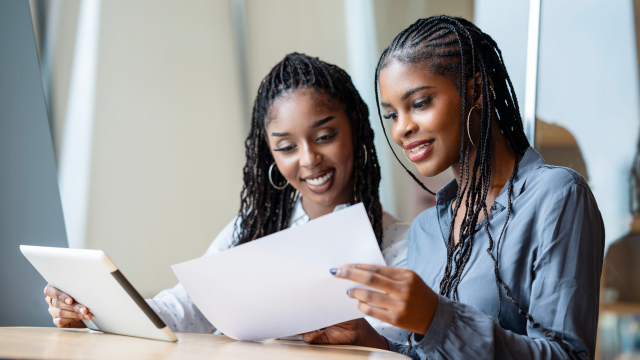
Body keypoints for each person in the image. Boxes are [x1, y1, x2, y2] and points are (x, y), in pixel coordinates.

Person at [42, 53, 411, 343]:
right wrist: (92, 312)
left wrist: (365, 338)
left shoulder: (403, 245)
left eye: (325, 136)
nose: (309, 159)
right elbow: (182, 308)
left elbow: (415, 349)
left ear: (357, 132)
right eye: (285, 146)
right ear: (270, 155)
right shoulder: (253, 229)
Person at [303, 16, 605, 359]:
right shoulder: (426, 230)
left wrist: (436, 318)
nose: (402, 129)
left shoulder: (557, 196)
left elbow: (568, 355)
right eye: (392, 115)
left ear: (476, 88)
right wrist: (371, 340)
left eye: (419, 103)